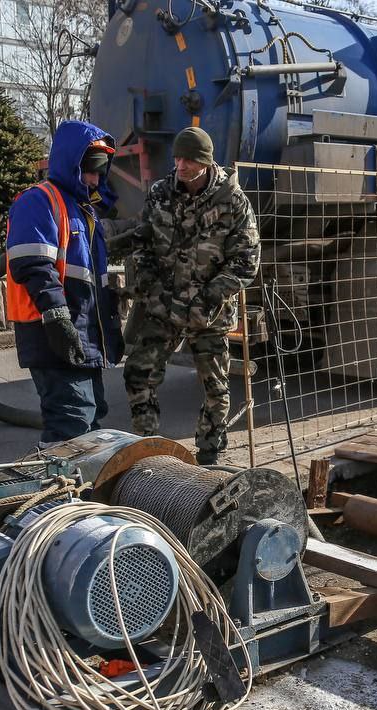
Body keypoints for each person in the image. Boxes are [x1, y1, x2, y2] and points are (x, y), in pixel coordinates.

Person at [123, 127, 259, 464]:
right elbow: (142, 244)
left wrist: (210, 296)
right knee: (139, 372)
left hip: (208, 311)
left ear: (205, 162)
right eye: (177, 158)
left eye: (188, 160)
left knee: (216, 386)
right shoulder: (160, 193)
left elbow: (247, 259)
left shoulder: (233, 201)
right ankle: (147, 448)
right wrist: (151, 287)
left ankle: (209, 453)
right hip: (164, 305)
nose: (180, 165)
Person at [5, 120, 124, 445]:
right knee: (71, 427)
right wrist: (56, 317)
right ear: (72, 162)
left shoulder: (83, 211)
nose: (95, 178)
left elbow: (89, 280)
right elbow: (33, 264)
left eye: (101, 170)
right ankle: (58, 492)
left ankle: (79, 492)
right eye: (90, 169)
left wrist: (108, 327)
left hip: (83, 334)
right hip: (54, 333)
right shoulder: (39, 201)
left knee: (90, 417)